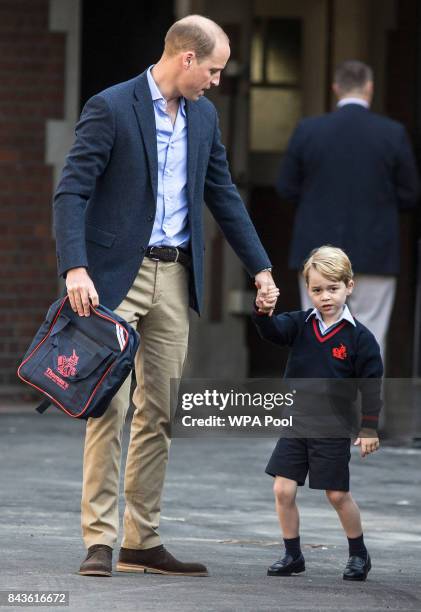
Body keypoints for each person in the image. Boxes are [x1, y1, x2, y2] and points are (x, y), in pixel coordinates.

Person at [53, 14, 278, 577]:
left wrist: (262, 269)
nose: (218, 81)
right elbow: (72, 190)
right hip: (113, 278)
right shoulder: (110, 106)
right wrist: (75, 268)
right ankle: (100, 540)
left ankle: (141, 539)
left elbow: (222, 194)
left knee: (160, 411)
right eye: (215, 70)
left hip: (176, 279)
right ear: (186, 59)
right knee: (109, 404)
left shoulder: (204, 117)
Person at [252, 246, 382, 581]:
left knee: (337, 494)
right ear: (307, 289)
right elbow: (272, 333)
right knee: (282, 490)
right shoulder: (300, 323)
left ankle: (358, 554)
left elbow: (371, 387)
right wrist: (263, 312)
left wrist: (369, 428)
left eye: (333, 288)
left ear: (349, 286)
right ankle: (292, 555)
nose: (325, 297)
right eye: (317, 290)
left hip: (333, 427)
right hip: (296, 422)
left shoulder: (360, 339)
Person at [277, 60, 420, 362]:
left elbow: (286, 188)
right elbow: (410, 194)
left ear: (335, 89)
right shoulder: (392, 133)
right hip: (375, 250)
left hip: (320, 255)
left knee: (319, 333)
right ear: (370, 88)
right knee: (371, 334)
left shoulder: (308, 130)